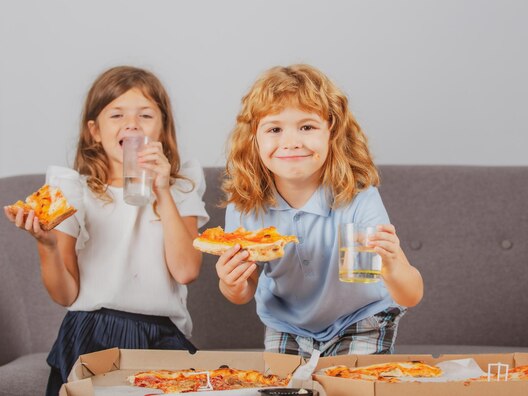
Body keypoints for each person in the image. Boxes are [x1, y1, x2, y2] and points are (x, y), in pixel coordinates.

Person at [3, 66, 209, 395]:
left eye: (145, 114)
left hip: (162, 333)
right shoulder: (74, 192)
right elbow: (66, 294)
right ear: (94, 131)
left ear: (162, 129)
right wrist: (47, 244)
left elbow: (186, 271)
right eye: (116, 115)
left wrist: (162, 191)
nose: (132, 124)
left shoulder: (180, 188)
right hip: (91, 328)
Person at [216, 64, 423, 358]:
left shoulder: (358, 197)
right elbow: (242, 291)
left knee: (348, 389)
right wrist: (230, 282)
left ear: (332, 133)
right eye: (274, 129)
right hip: (286, 324)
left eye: (307, 127)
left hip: (362, 319)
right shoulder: (245, 203)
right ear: (253, 140)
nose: (291, 142)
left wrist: (391, 266)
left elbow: (411, 294)